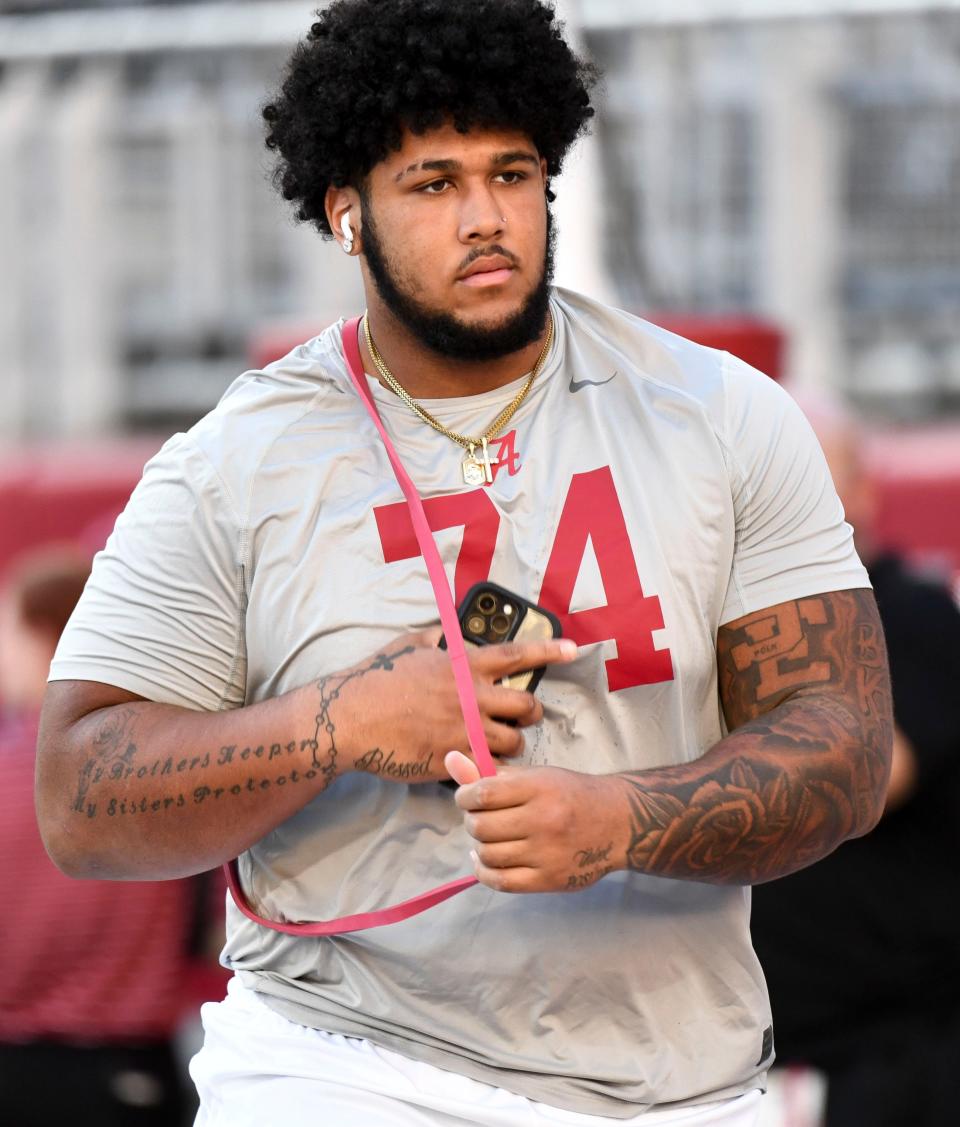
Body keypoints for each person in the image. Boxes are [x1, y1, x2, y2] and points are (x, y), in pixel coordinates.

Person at [36, 2, 893, 1124]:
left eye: (512, 173)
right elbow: (78, 796)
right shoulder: (230, 464)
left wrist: (618, 820)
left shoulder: (720, 413)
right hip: (343, 1062)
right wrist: (335, 722)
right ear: (347, 212)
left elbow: (842, 742)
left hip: (685, 1080)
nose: (486, 218)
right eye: (434, 183)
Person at [750, 396, 960, 1127]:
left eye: (808, 473)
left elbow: (862, 776)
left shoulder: (917, 619)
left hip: (895, 1063)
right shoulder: (715, 634)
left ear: (862, 491)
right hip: (745, 1063)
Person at [0, 547, 197, 1126]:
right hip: (140, 1074)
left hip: (23, 1069)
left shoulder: (16, 775)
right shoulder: (176, 760)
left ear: (44, 637)